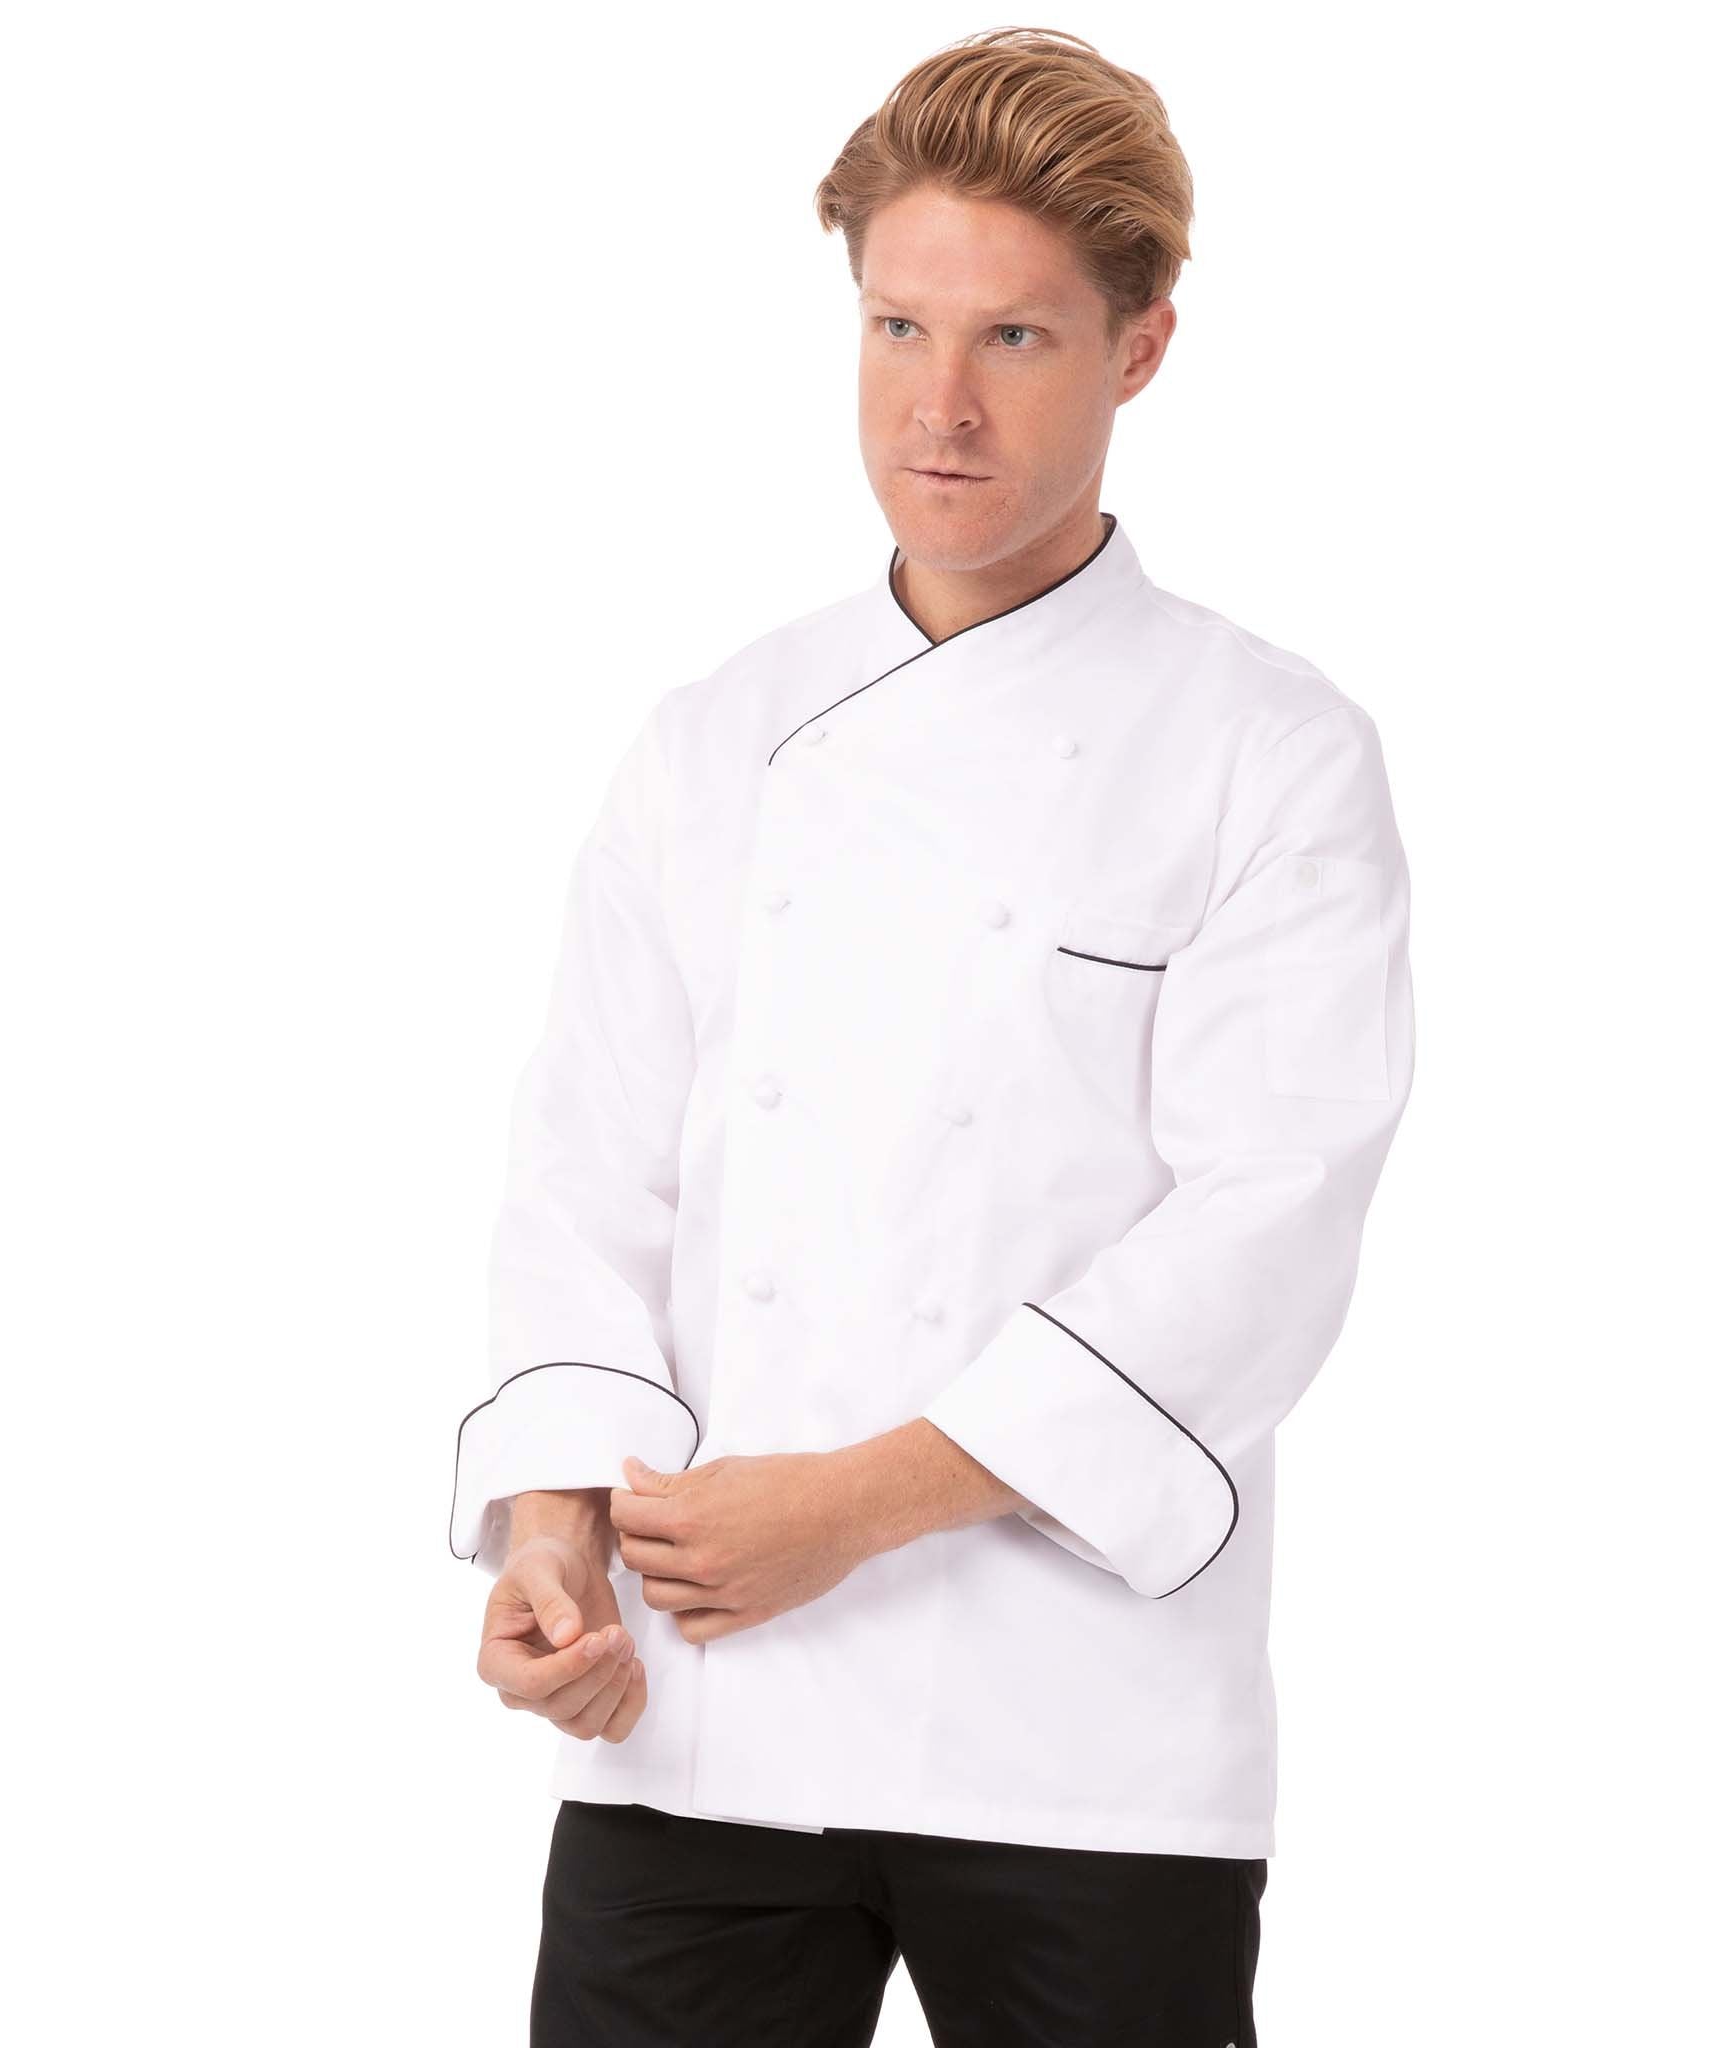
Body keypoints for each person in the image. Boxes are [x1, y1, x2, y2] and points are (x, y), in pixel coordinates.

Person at [449, 28, 1415, 2047]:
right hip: (696, 1723)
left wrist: (849, 1505)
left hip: (1082, 1739)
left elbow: (1266, 1223)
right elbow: (588, 1181)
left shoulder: (1264, 751)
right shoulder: (715, 737)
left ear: (1142, 349)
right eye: (897, 326)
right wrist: (553, 1531)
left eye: (1015, 338)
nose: (938, 405)